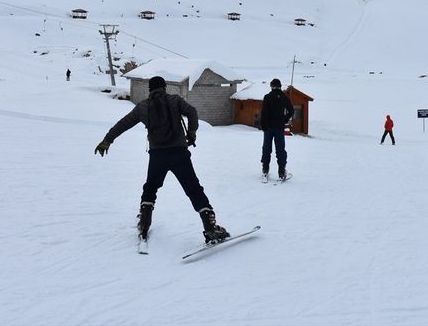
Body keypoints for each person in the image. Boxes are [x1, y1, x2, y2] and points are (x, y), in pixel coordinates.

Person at [94, 76, 229, 244]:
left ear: (150, 89)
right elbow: (192, 112)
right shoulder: (175, 100)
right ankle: (210, 228)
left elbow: (124, 123)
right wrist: (192, 132)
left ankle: (144, 224)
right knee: (193, 188)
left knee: (151, 187)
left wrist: (107, 140)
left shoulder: (143, 106)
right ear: (164, 87)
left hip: (157, 155)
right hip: (179, 153)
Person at [260, 78, 294, 179]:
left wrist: (263, 125)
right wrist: (284, 119)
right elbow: (291, 111)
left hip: (268, 127)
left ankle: (265, 169)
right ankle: (281, 171)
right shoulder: (284, 97)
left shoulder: (267, 97)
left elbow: (263, 113)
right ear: (280, 86)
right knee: (280, 149)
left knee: (267, 148)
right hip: (279, 127)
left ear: (271, 86)